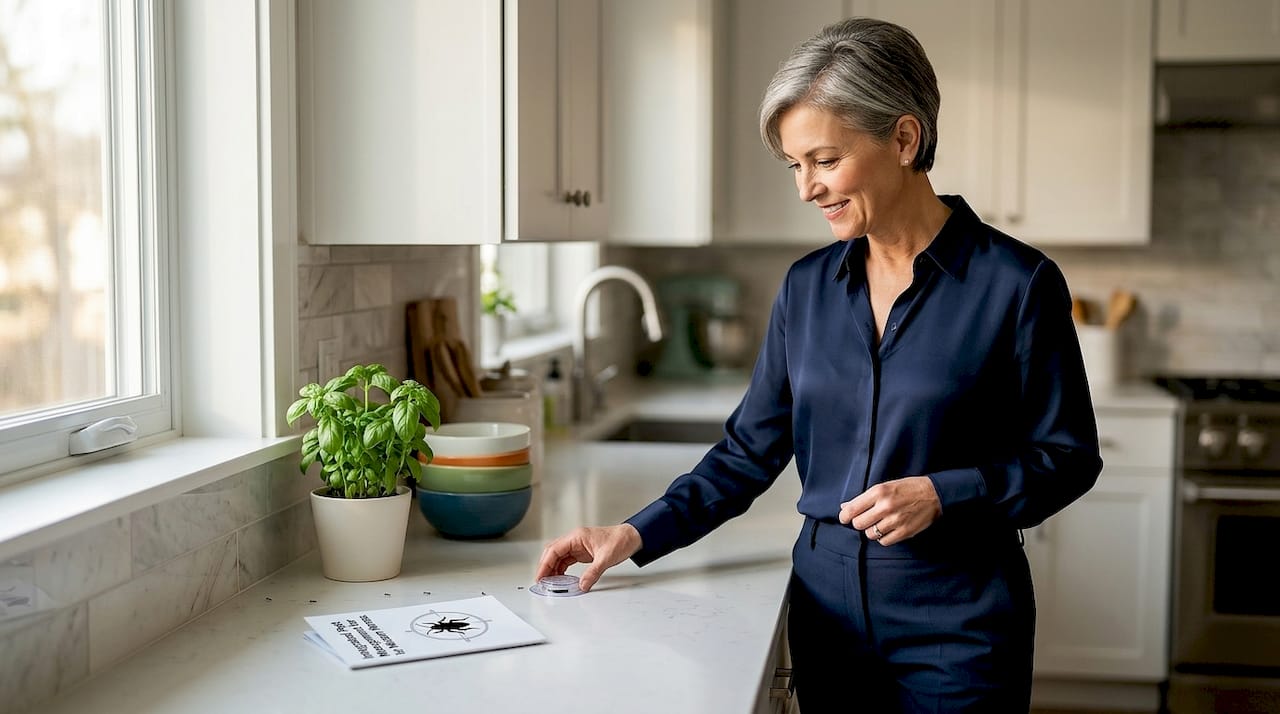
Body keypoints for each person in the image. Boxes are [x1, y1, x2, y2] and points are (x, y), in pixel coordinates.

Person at [535, 16, 1101, 713]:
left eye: (825, 160)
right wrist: (636, 532)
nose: (807, 189)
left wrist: (946, 493)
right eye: (795, 166)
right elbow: (748, 450)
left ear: (903, 138)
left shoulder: (1017, 284)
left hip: (961, 620)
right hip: (826, 611)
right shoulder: (805, 289)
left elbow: (1069, 457)